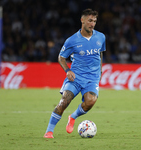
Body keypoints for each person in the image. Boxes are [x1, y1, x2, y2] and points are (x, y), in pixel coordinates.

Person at [43, 8, 106, 138]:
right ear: (82, 20)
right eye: (90, 20)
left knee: (90, 101)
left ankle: (72, 117)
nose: (92, 24)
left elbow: (100, 53)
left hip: (92, 78)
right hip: (76, 77)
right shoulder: (72, 40)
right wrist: (67, 70)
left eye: (94, 21)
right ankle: (49, 131)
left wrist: (100, 70)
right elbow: (61, 57)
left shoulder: (101, 37)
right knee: (64, 102)